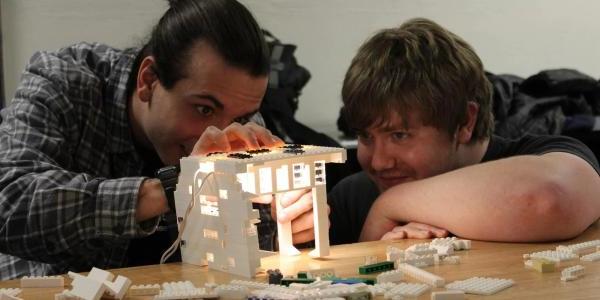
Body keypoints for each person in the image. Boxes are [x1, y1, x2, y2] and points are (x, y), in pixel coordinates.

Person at [0, 0, 315, 280]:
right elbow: (8, 201)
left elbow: (252, 258)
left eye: (241, 117)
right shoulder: (64, 83)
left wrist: (292, 224)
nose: (219, 136)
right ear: (148, 80)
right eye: (204, 109)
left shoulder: (241, 121)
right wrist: (173, 188)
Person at [328, 18, 600, 245]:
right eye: (366, 136)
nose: (378, 162)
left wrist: (389, 205)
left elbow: (547, 199)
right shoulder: (352, 197)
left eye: (399, 135)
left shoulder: (545, 155)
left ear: (465, 121)